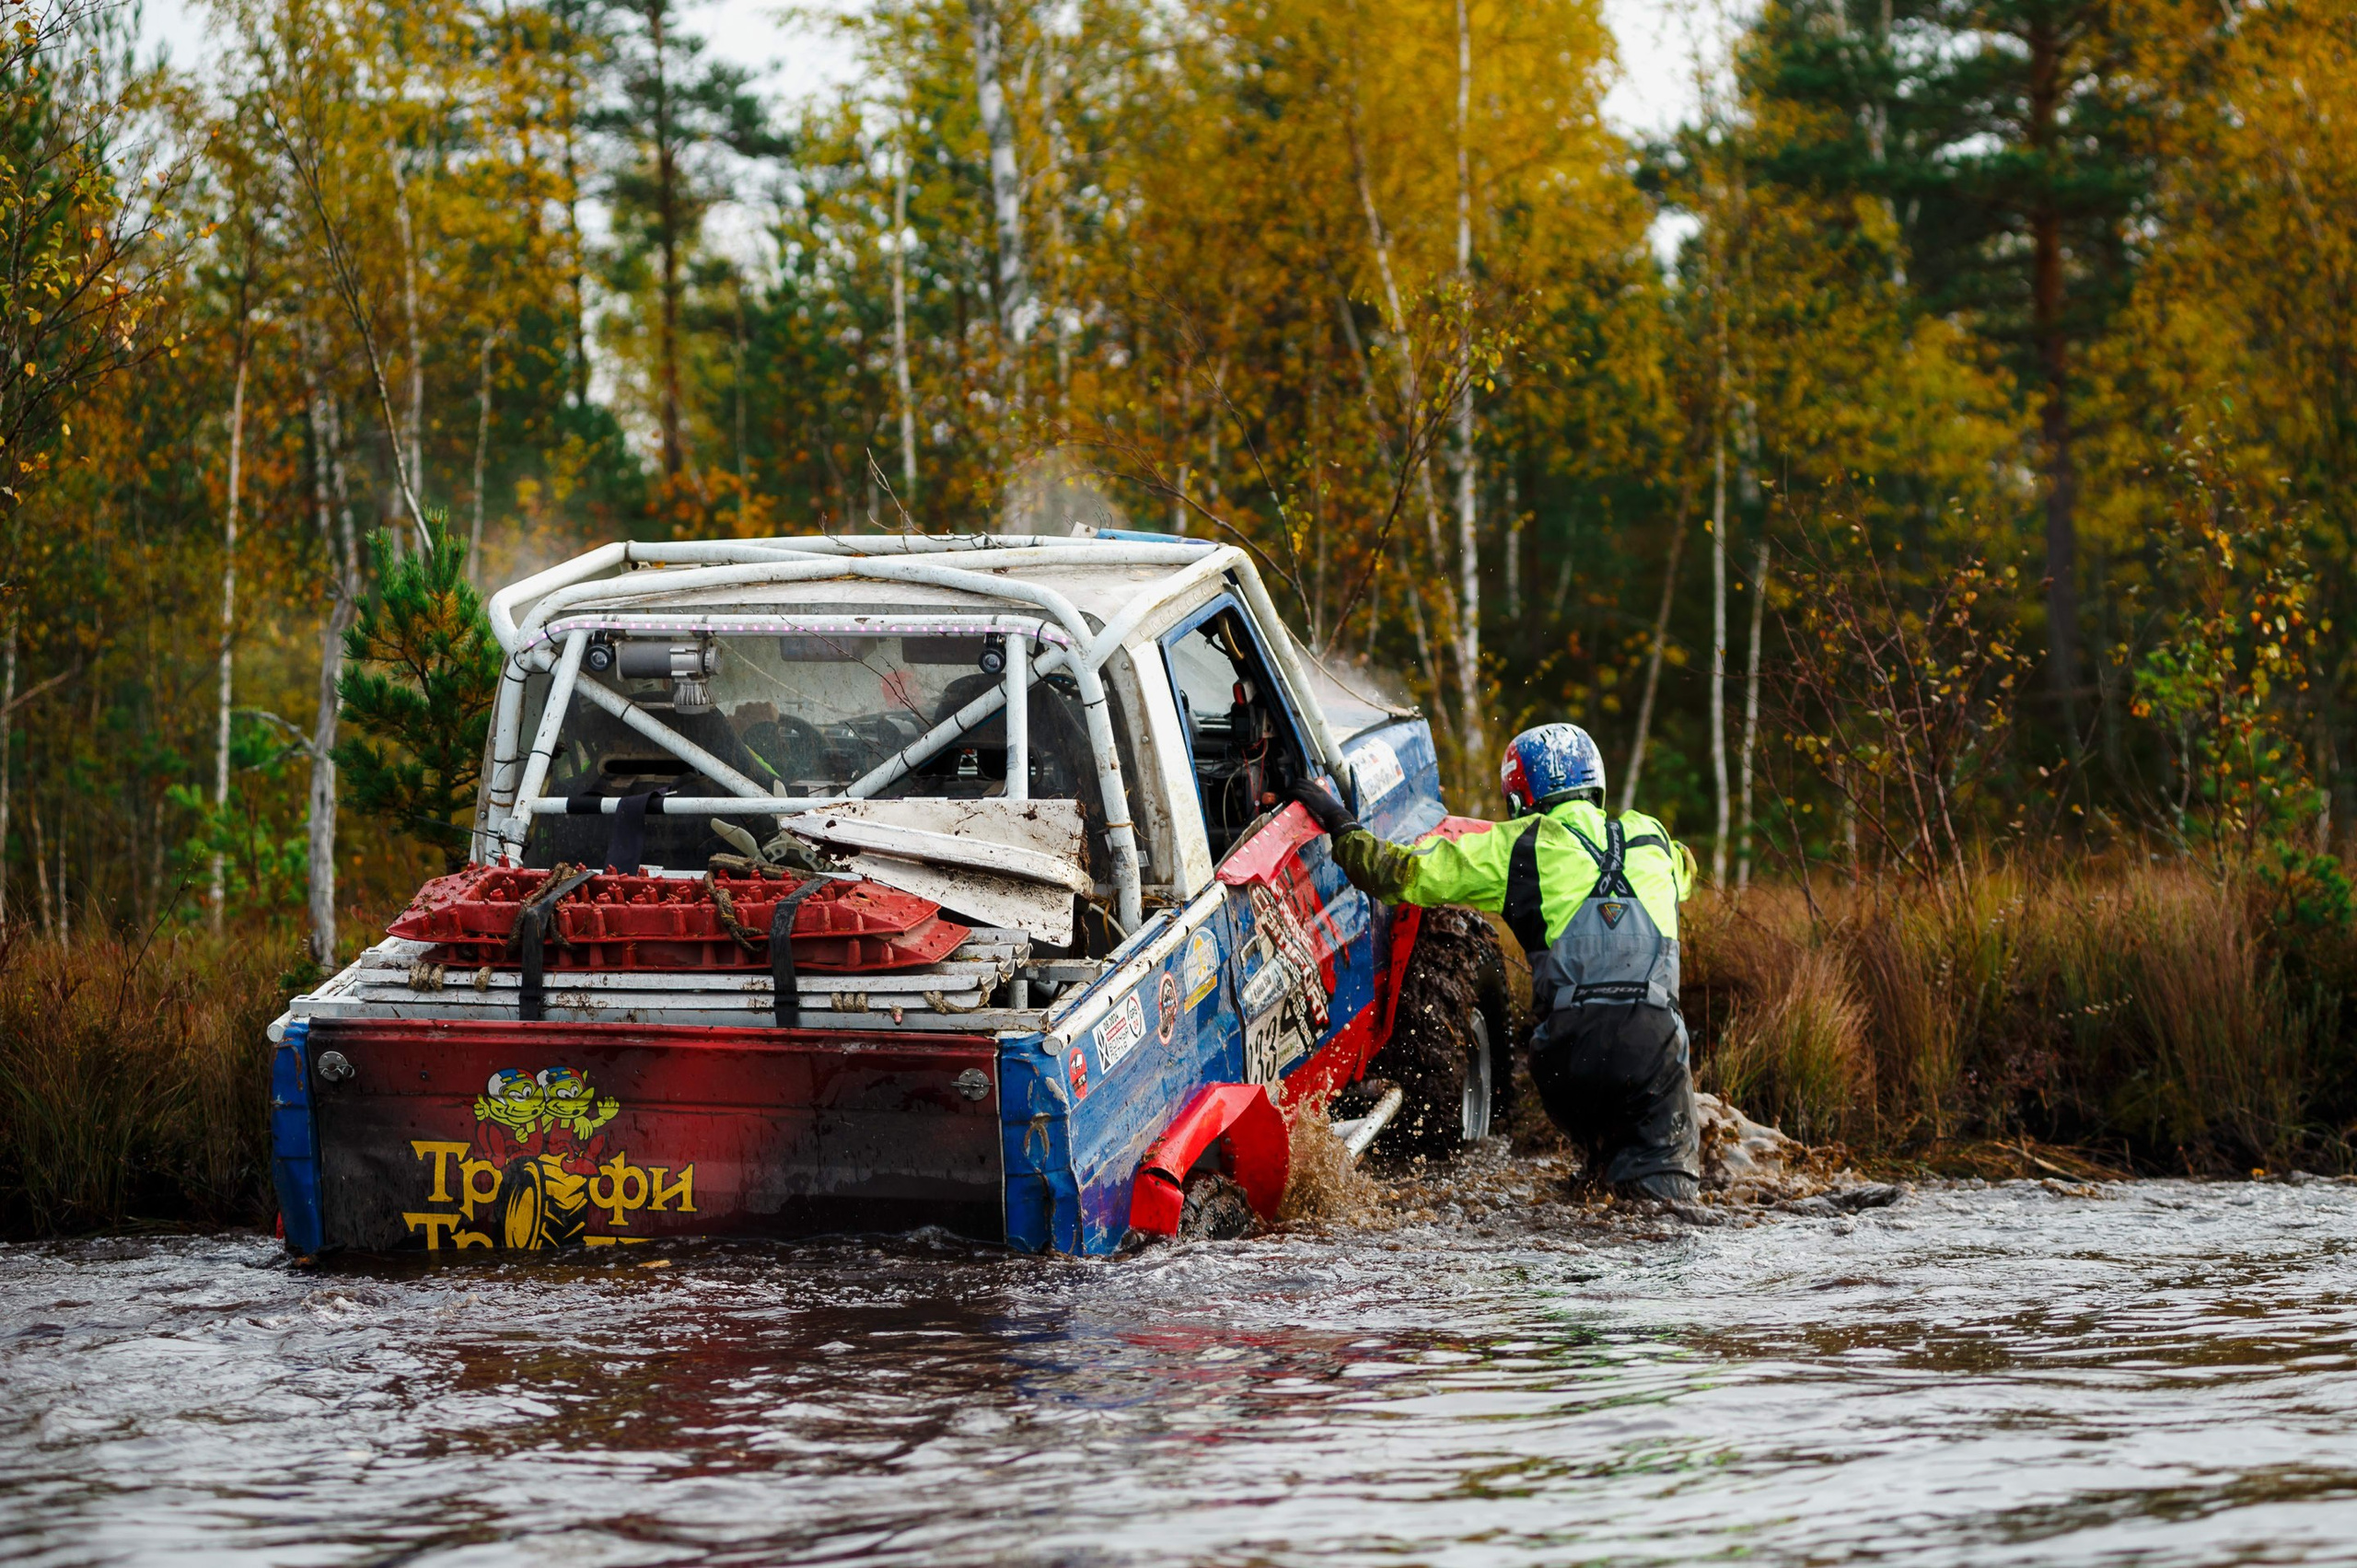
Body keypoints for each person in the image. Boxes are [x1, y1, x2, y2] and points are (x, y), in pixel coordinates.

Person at [1291, 724, 1701, 1202]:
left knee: (1598, 1180)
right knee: (1660, 1206)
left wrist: (1340, 823)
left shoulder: (1515, 846)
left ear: (1520, 799)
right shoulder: (1653, 839)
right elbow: (1686, 872)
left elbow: (1393, 874)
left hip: (1567, 1057)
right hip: (1652, 1046)